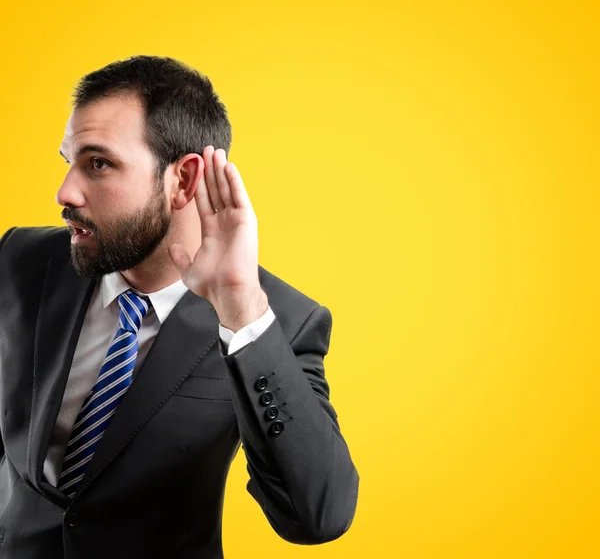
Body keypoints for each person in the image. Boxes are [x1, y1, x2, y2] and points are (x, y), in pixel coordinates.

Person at [0, 55, 359, 558]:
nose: (65, 192)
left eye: (98, 163)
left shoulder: (278, 322)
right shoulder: (22, 259)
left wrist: (241, 311)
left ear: (184, 180)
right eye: (69, 161)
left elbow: (318, 515)